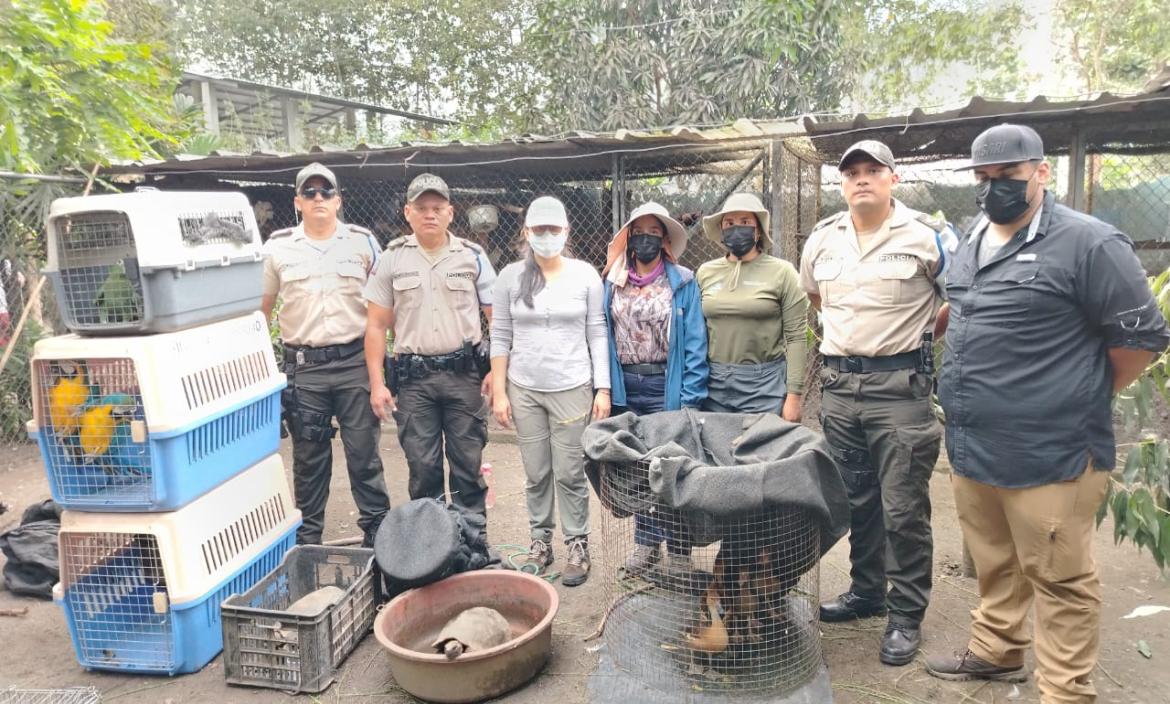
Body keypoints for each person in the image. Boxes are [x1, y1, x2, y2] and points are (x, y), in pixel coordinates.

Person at [925, 124, 1170, 702]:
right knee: (994, 557)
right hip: (973, 441)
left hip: (1051, 449)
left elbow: (1139, 339)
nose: (992, 190)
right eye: (982, 179)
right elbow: (961, 311)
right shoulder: (974, 233)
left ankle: (1064, 691)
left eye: (1005, 177)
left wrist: (1076, 391)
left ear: (1040, 172)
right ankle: (998, 650)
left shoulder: (1090, 243)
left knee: (1060, 576)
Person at [800, 140, 951, 666]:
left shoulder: (926, 238)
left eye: (872, 170)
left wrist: (910, 340)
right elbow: (817, 298)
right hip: (840, 389)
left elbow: (952, 298)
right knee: (855, 499)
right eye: (852, 172)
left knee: (904, 508)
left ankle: (905, 614)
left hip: (899, 391)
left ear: (893, 178)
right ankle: (865, 592)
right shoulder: (822, 240)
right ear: (842, 184)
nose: (861, 179)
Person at [261, 162, 390, 547]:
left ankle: (378, 540)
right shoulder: (278, 247)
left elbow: (383, 308)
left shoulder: (363, 242)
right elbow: (260, 311)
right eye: (311, 193)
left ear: (338, 201)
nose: (319, 198)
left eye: (326, 192)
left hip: (354, 364)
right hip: (306, 372)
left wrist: (383, 372)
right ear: (298, 201)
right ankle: (309, 545)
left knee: (364, 456)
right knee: (309, 462)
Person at [489, 196, 610, 585]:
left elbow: (597, 330)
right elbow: (501, 334)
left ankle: (577, 543)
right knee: (536, 470)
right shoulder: (509, 277)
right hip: (524, 387)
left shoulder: (585, 275)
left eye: (553, 229)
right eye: (538, 230)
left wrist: (602, 388)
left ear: (565, 231)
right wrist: (500, 392)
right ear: (526, 232)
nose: (546, 236)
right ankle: (540, 541)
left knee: (571, 471)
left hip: (572, 386)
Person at [364, 173, 497, 518]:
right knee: (423, 470)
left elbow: (499, 319)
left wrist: (497, 374)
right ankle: (432, 556)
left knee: (468, 467)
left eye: (437, 207)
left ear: (451, 212)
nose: (430, 214)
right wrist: (378, 384)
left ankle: (473, 547)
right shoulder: (392, 259)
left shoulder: (472, 256)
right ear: (408, 212)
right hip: (414, 382)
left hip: (464, 375)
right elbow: (376, 325)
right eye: (422, 207)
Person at [599, 202, 708, 579]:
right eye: (639, 231)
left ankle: (679, 550)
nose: (646, 238)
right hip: (627, 386)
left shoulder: (682, 281)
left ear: (663, 239)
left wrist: (691, 397)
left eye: (653, 232)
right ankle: (645, 545)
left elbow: (695, 341)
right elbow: (602, 334)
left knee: (673, 466)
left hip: (668, 385)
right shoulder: (612, 281)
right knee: (637, 467)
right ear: (629, 238)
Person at [696, 192, 807, 418]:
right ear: (721, 229)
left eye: (745, 222)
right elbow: (694, 332)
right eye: (729, 223)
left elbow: (796, 337)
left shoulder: (782, 272)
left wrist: (794, 396)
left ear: (758, 230)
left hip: (764, 386)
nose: (736, 228)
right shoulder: (705, 272)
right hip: (713, 384)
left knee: (764, 450)